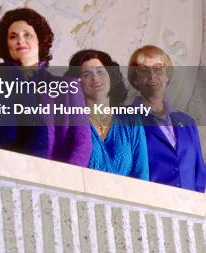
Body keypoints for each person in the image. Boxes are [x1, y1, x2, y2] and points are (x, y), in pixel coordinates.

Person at [0, 8, 92, 165]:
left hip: (55, 181)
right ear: (6, 45)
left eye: (27, 35)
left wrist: (62, 182)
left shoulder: (67, 86)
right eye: (13, 36)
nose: (20, 41)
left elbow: (82, 145)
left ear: (40, 40)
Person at [128, 45, 205, 192]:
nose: (152, 75)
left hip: (188, 210)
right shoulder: (125, 119)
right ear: (135, 79)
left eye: (158, 68)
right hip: (150, 207)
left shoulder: (187, 122)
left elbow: (199, 174)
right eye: (144, 70)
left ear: (167, 75)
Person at [69, 49, 149, 179]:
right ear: (78, 83)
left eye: (100, 71)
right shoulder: (71, 120)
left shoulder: (132, 121)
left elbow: (142, 174)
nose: (95, 78)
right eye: (86, 74)